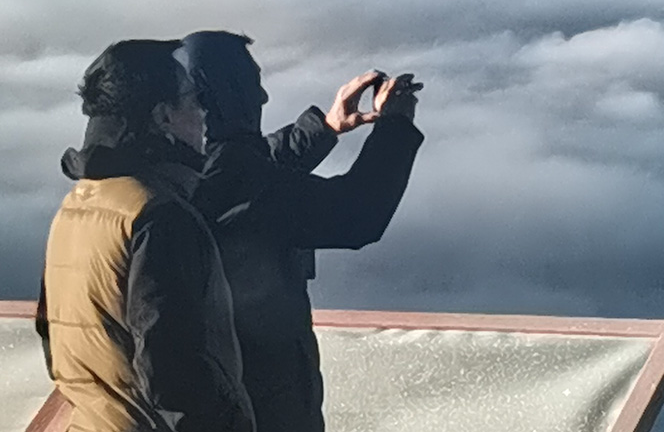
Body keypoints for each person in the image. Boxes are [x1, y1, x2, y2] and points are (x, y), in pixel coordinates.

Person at [178, 30, 424, 432]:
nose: (262, 98)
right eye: (250, 83)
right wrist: (396, 126)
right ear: (223, 93)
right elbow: (358, 214)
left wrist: (326, 127)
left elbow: (251, 164)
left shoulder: (184, 165)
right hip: (262, 399)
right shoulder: (243, 185)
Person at [36, 39, 255, 432]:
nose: (203, 112)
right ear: (164, 116)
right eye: (192, 98)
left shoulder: (76, 206)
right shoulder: (157, 216)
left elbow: (54, 341)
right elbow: (173, 370)